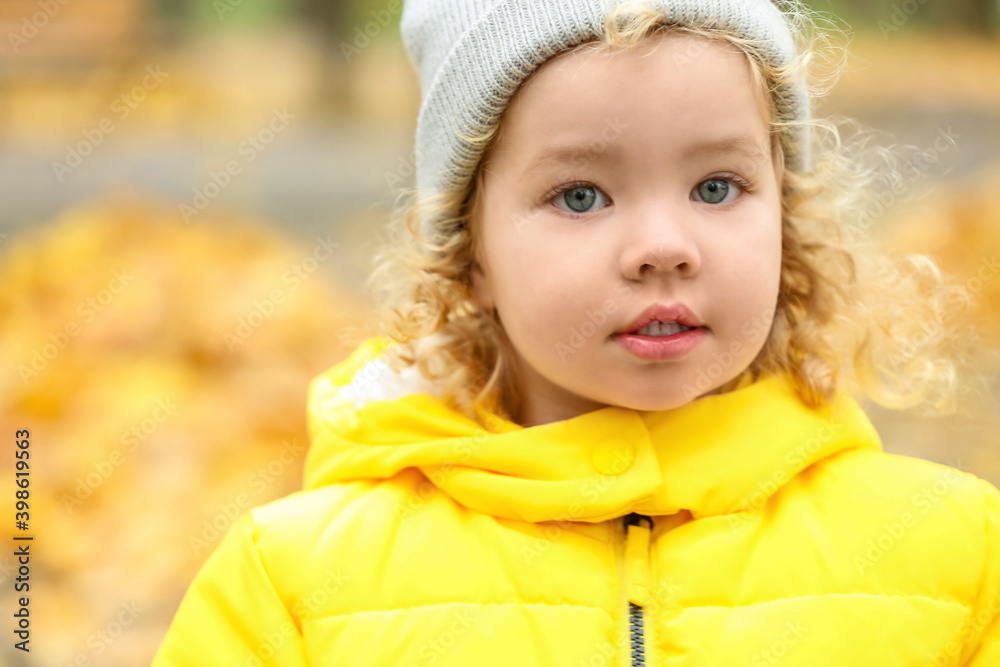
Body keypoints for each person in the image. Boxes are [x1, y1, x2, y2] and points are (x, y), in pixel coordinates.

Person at [152, 0, 1000, 664]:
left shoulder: (955, 559)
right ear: (469, 253)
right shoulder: (297, 585)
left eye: (716, 186)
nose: (664, 248)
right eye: (581, 196)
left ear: (788, 216)